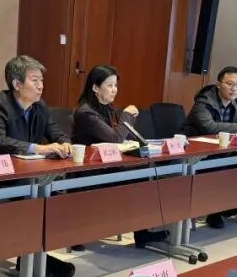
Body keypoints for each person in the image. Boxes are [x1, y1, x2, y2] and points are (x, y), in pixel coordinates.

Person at [0, 55, 74, 277]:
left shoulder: (39, 107)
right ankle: (30, 256)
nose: (40, 86)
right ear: (17, 84)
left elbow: (56, 132)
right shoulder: (0, 106)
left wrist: (65, 144)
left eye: (41, 80)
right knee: (33, 197)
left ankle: (33, 257)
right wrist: (39, 148)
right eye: (34, 80)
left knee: (48, 193)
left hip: (24, 175)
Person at [72, 65, 168, 248]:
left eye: (115, 85)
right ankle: (78, 234)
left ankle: (141, 232)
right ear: (95, 87)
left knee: (141, 175)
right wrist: (127, 116)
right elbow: (115, 139)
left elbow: (121, 137)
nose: (114, 89)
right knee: (134, 177)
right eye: (109, 85)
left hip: (107, 165)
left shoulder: (108, 108)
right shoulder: (85, 112)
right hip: (88, 170)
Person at [179, 65, 237, 228]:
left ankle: (236, 207)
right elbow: (210, 128)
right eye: (230, 84)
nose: (234, 88)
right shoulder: (203, 102)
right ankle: (213, 212)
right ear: (219, 84)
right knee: (220, 169)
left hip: (222, 152)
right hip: (198, 154)